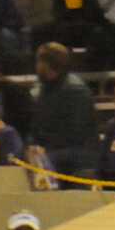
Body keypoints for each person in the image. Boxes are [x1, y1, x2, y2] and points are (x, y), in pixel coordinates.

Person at [29, 43, 99, 182]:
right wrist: (34, 146)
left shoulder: (76, 90)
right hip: (56, 148)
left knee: (46, 159)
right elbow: (37, 126)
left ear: (48, 65)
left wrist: (46, 149)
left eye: (39, 62)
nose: (36, 67)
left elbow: (77, 133)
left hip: (80, 151)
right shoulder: (44, 90)